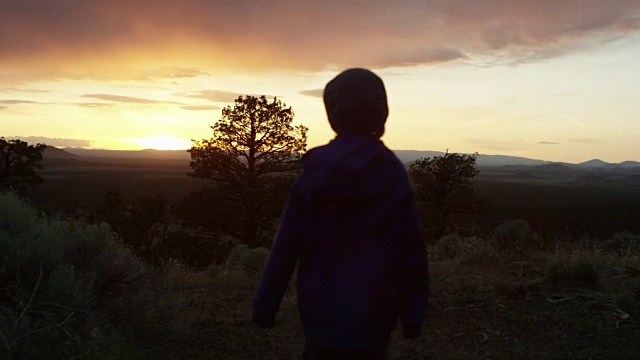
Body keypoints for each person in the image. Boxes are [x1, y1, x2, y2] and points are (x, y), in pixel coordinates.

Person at [252, 68, 429, 359]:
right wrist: (413, 314)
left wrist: (265, 306)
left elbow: (286, 245)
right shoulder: (391, 171)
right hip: (375, 312)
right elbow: (411, 248)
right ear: (381, 109)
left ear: (332, 111)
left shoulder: (315, 170)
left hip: (320, 309)